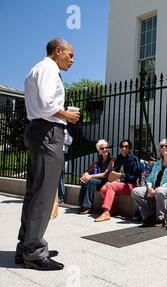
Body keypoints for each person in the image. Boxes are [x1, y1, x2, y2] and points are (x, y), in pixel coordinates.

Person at [16, 38, 79, 271]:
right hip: (47, 132)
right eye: (70, 55)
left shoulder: (38, 68)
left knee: (34, 192)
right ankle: (33, 251)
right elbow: (45, 104)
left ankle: (26, 246)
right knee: (43, 193)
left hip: (39, 131)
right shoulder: (48, 68)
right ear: (57, 51)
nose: (72, 60)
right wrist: (67, 115)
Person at [131, 139, 167, 227]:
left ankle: (161, 219)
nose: (164, 148)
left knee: (160, 191)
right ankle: (149, 216)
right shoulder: (157, 163)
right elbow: (149, 178)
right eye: (162, 146)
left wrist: (156, 189)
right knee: (135, 191)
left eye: (166, 146)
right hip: (155, 190)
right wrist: (150, 187)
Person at [96, 139, 139, 222]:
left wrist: (121, 177)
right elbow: (113, 173)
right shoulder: (119, 159)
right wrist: (114, 177)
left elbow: (133, 177)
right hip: (120, 184)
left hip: (131, 185)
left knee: (110, 185)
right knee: (103, 189)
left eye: (126, 146)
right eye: (122, 146)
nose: (124, 148)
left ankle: (106, 212)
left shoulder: (133, 159)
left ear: (130, 148)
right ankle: (114, 208)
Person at [78, 139, 114, 215]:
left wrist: (90, 176)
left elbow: (105, 174)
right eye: (102, 148)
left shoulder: (112, 160)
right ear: (99, 150)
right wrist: (86, 174)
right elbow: (90, 169)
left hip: (105, 181)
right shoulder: (99, 160)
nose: (104, 149)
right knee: (85, 180)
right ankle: (81, 204)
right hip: (98, 181)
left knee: (91, 181)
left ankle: (88, 206)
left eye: (106, 147)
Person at [58, 128, 73, 205]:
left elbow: (69, 141)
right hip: (53, 151)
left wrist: (65, 133)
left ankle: (60, 197)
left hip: (61, 152)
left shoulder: (64, 130)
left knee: (60, 176)